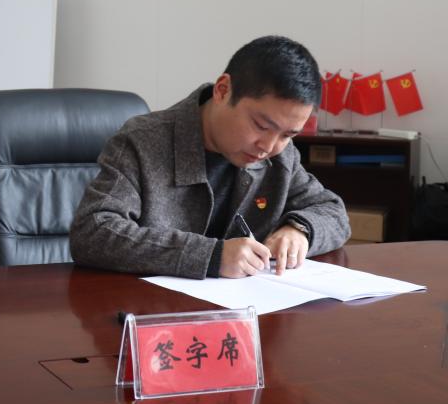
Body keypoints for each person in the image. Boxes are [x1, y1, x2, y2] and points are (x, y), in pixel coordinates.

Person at [70, 35, 350, 279]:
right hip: (153, 312)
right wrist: (211, 256)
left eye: (288, 134)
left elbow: (333, 211)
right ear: (223, 90)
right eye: (261, 126)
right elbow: (93, 232)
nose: (268, 146)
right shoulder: (142, 142)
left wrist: (299, 229)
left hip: (246, 313)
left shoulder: (281, 155)